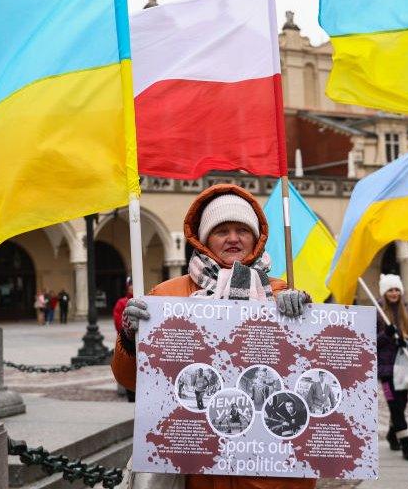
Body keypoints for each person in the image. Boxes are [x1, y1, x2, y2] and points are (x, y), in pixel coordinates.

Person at [112, 183, 314, 489]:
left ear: (255, 238)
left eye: (241, 230)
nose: (233, 238)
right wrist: (130, 337)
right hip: (195, 467)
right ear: (205, 238)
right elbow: (131, 381)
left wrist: (303, 322)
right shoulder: (166, 296)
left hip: (266, 469)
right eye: (222, 230)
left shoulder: (281, 294)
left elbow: (305, 381)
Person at [376, 273, 408, 460]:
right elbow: (369, 341)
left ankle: (391, 433)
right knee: (394, 406)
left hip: (404, 369)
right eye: (390, 290)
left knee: (402, 405)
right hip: (386, 372)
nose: (394, 293)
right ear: (384, 292)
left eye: (397, 289)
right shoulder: (378, 313)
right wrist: (386, 335)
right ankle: (406, 445)